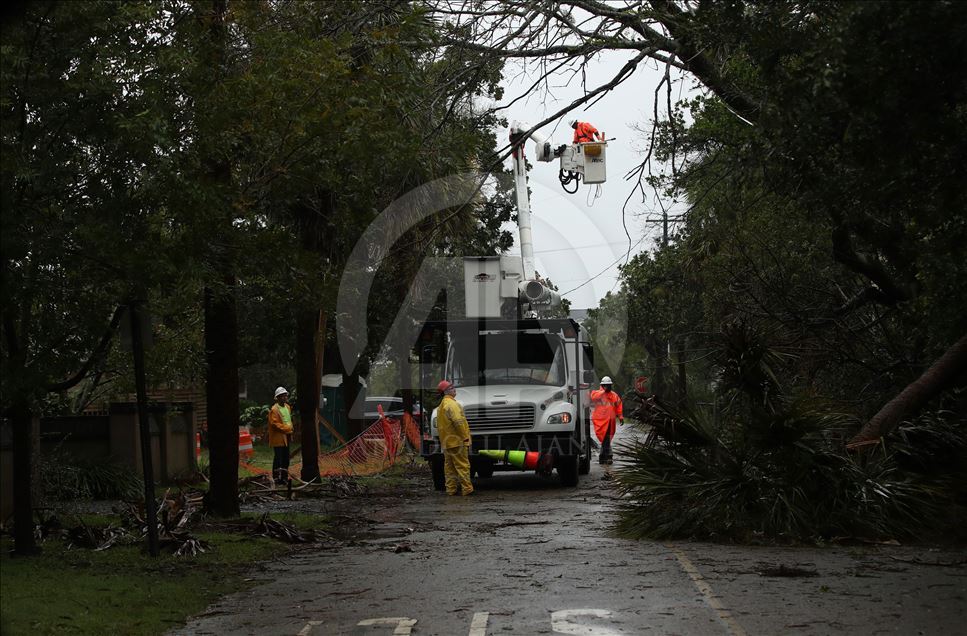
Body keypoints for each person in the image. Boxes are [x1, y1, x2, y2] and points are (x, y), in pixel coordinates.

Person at [436, 380, 473, 496]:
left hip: (447, 443)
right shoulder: (452, 405)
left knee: (450, 468)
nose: (454, 389)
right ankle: (467, 489)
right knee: (463, 466)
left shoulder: (441, 406)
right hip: (457, 442)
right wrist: (465, 437)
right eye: (451, 387)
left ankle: (451, 490)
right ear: (446, 391)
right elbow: (458, 422)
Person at [590, 376, 623, 464]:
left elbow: (619, 406)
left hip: (610, 422)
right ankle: (607, 457)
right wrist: (603, 391)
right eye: (605, 385)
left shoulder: (614, 395)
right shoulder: (597, 393)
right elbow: (593, 397)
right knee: (605, 439)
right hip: (600, 422)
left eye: (609, 385)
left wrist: (620, 417)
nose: (607, 387)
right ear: (602, 385)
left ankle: (605, 457)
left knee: (606, 439)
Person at [268, 386, 294, 486]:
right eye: (282, 396)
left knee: (286, 458)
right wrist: (287, 428)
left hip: (286, 437)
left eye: (285, 395)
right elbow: (275, 424)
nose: (284, 397)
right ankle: (275, 478)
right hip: (278, 438)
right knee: (278, 458)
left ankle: (284, 478)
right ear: (277, 398)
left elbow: (288, 419)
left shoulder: (287, 407)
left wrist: (291, 428)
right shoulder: (274, 410)